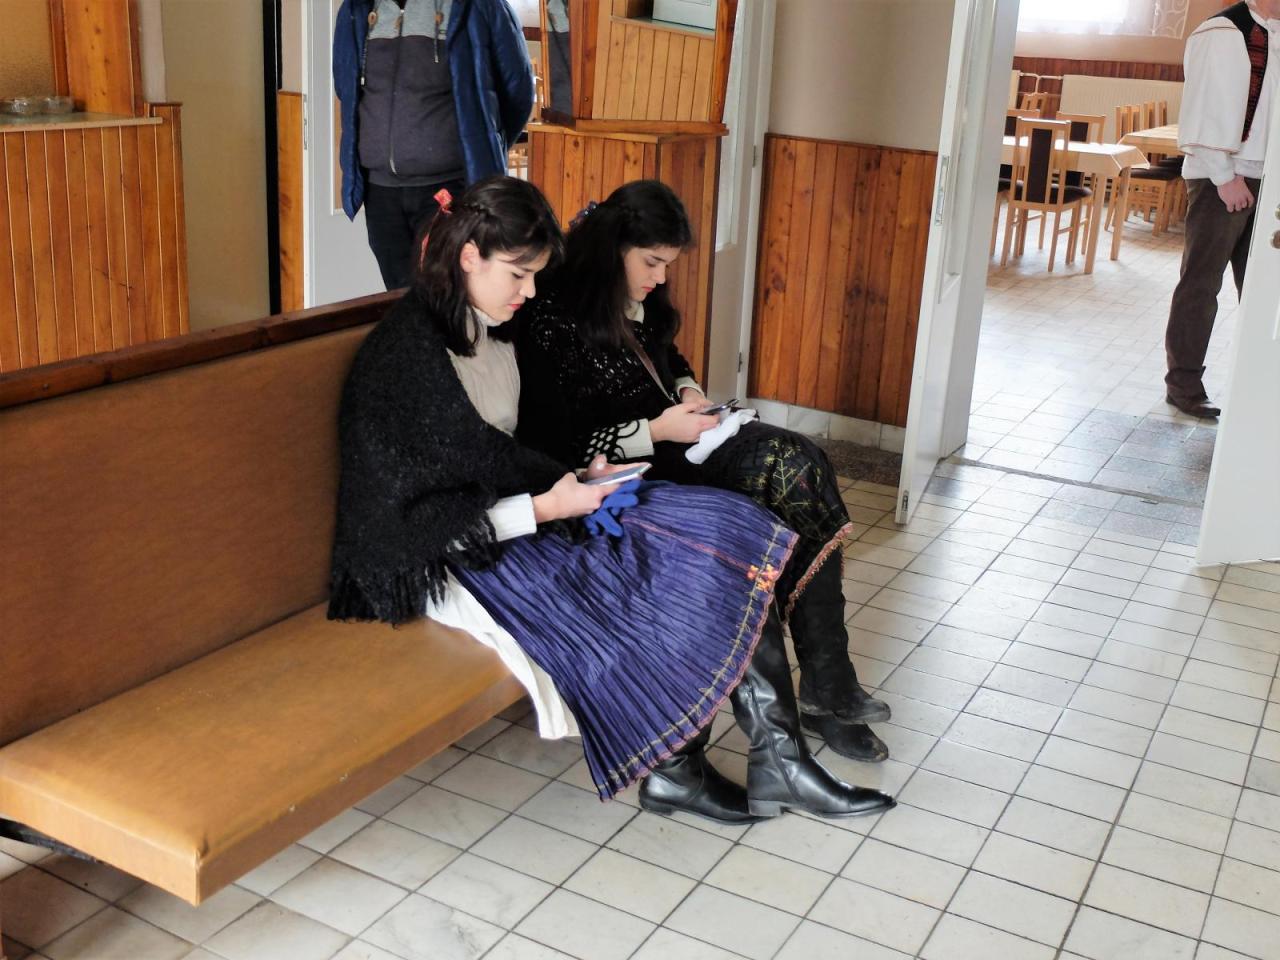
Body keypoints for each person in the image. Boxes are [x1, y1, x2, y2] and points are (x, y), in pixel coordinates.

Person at [327, 176, 894, 825]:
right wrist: (548, 506)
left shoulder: (492, 326)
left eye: (534, 275)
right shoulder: (406, 362)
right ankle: (685, 769)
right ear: (468, 257)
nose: (530, 292)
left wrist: (581, 474)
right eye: (519, 274)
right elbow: (419, 522)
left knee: (726, 528)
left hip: (522, 510)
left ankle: (775, 762)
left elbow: (517, 450)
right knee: (676, 563)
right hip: (455, 553)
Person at [515, 180, 893, 764]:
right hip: (623, 472)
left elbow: (668, 356)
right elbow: (555, 447)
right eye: (652, 262)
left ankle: (827, 682)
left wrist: (688, 389)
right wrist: (656, 429)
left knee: (803, 463)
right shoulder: (548, 315)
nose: (660, 276)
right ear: (612, 247)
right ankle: (826, 689)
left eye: (667, 264)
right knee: (783, 478)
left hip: (680, 442)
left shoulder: (637, 295)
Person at [333, 0, 535, 289]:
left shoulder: (479, 6)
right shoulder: (356, 9)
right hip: (381, 194)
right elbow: (346, 87)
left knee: (448, 295)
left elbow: (517, 91)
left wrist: (486, 144)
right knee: (400, 297)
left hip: (452, 189)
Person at [1164, 0, 1279, 418]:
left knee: (1263, 287)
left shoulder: (1276, 33)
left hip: (1267, 181)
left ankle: (1258, 382)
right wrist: (1223, 177)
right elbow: (1205, 107)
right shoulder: (1224, 32)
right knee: (1201, 284)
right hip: (1224, 180)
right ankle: (1183, 385)